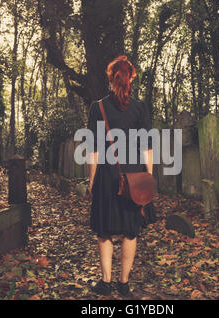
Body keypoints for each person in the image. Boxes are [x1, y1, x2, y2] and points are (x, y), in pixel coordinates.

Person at [86, 55, 156, 297]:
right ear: (130, 79)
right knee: (130, 231)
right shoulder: (140, 108)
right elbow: (148, 148)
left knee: (104, 230)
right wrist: (149, 178)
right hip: (134, 175)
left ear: (111, 78)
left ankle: (105, 283)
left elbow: (94, 149)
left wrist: (91, 180)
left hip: (106, 175)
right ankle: (124, 284)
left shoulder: (98, 107)